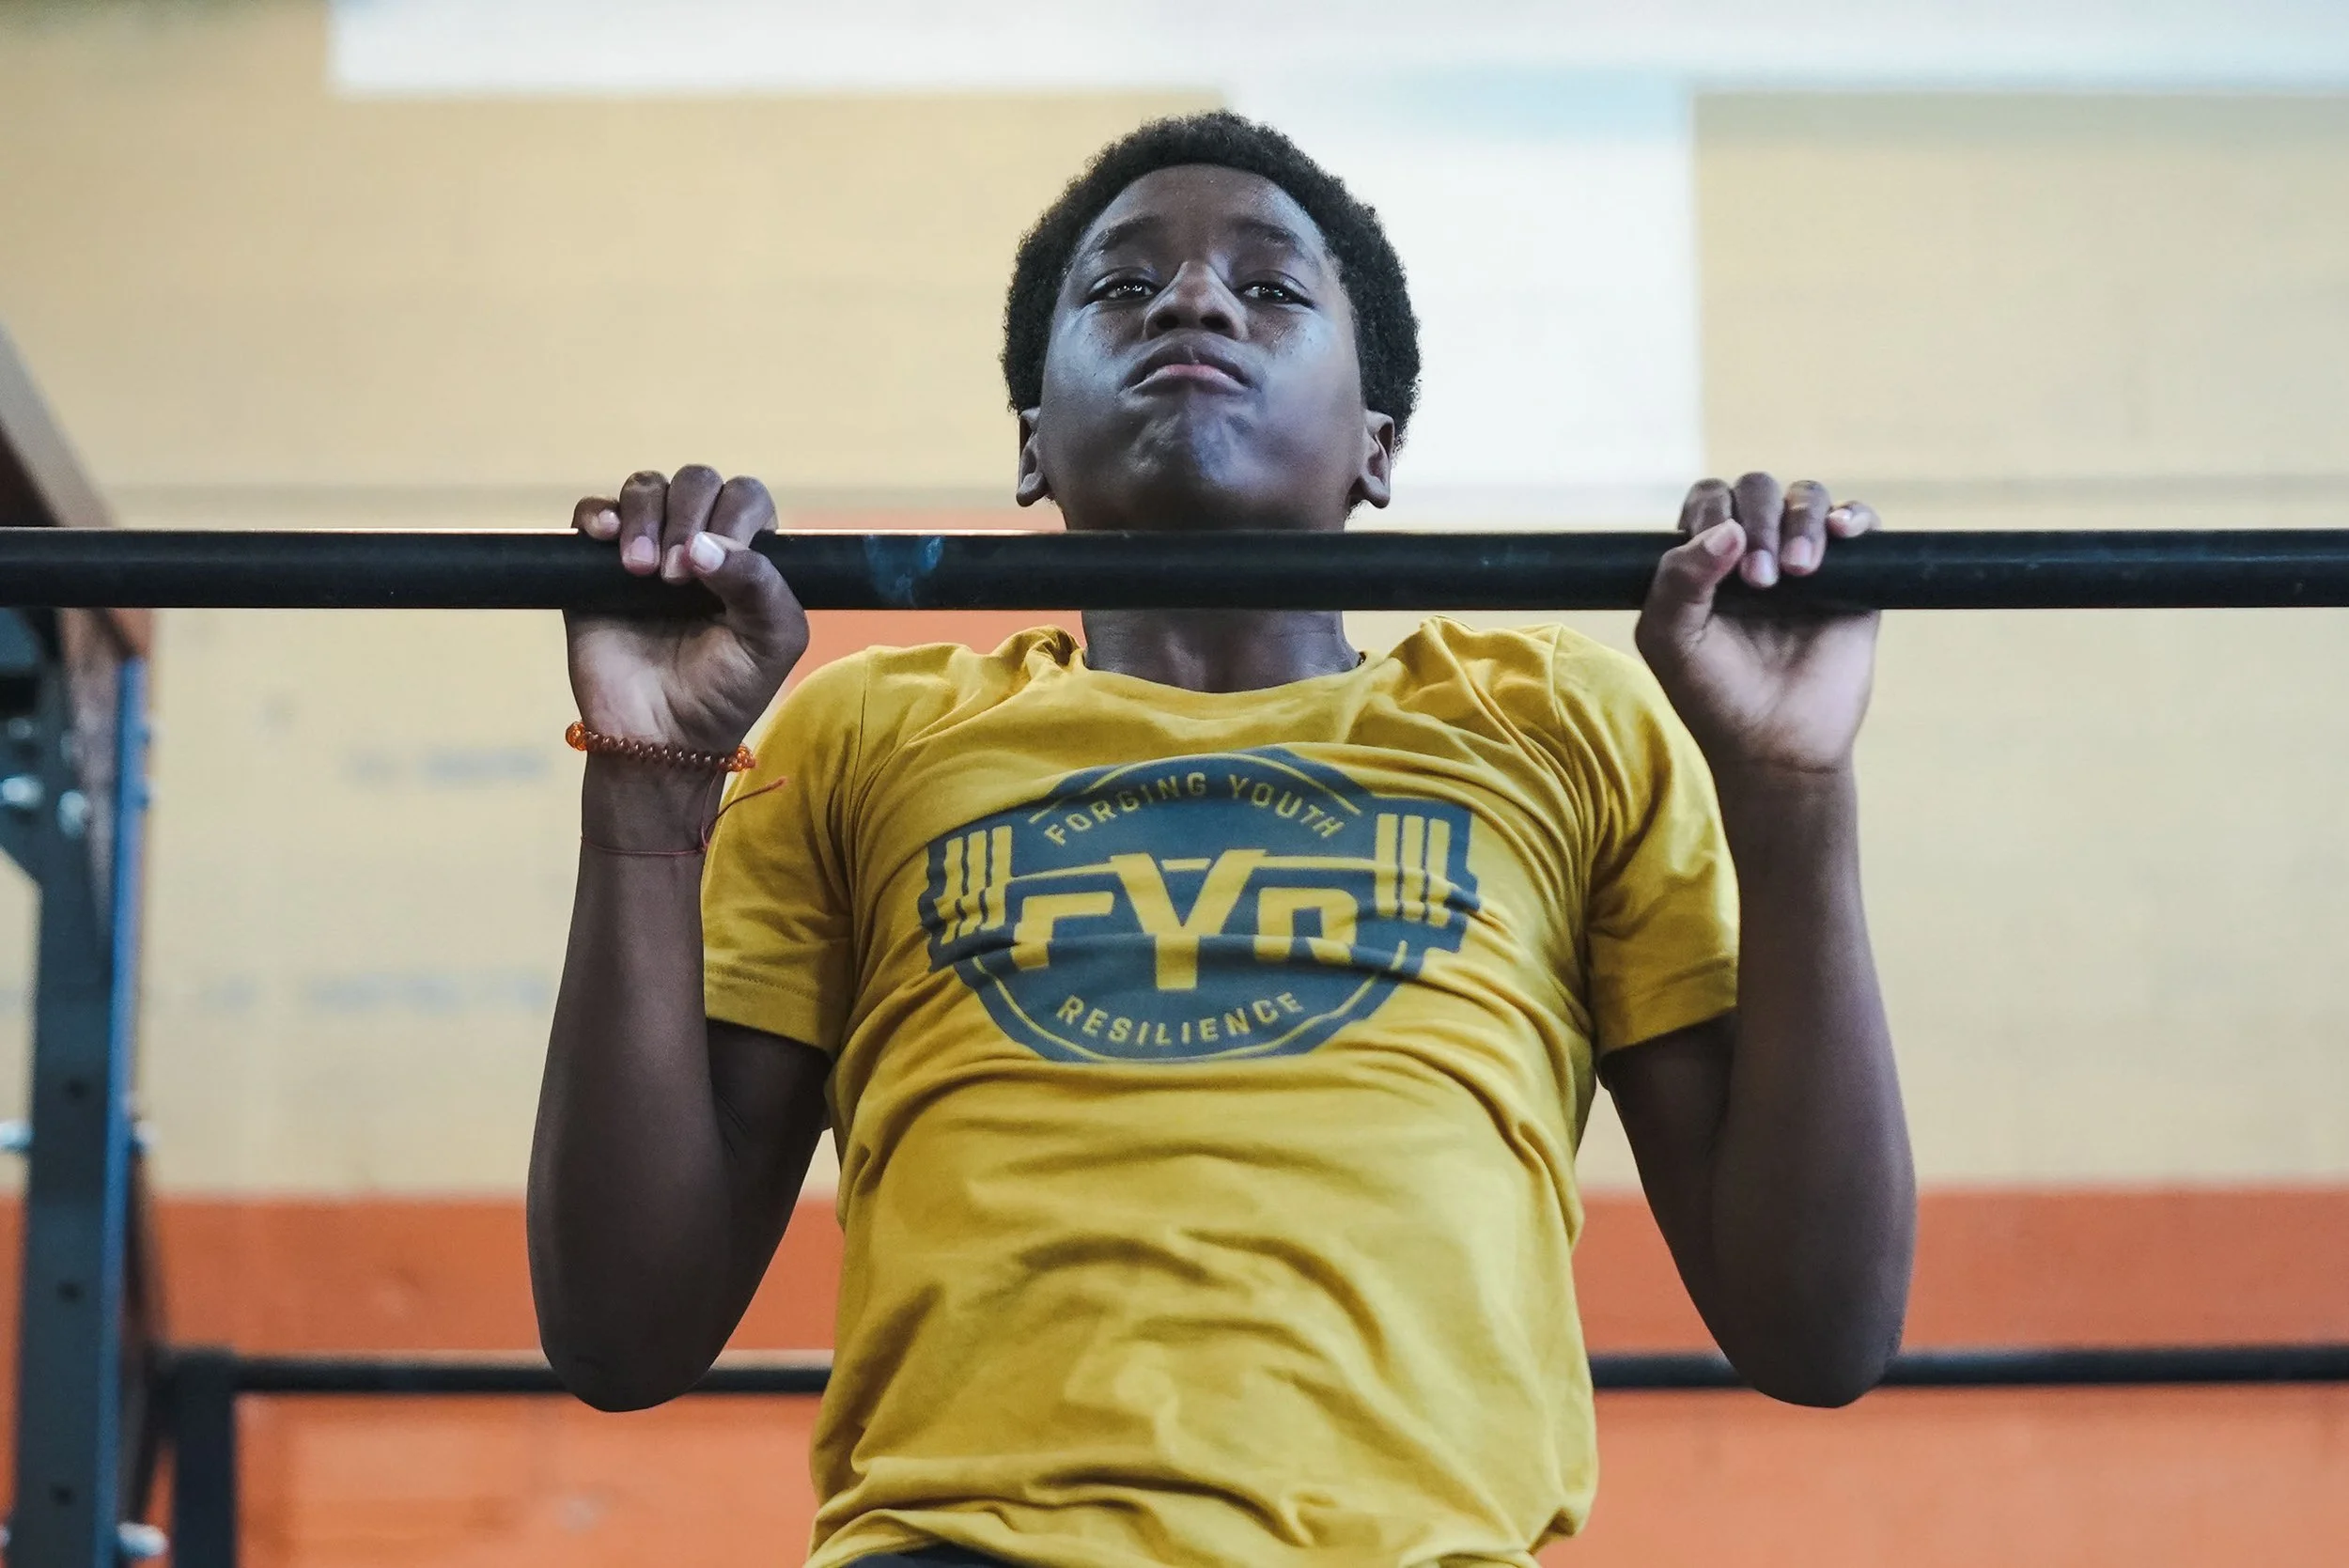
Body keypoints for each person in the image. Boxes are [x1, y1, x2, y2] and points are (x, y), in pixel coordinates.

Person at [528, 112, 1914, 1568]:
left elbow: (1816, 1333)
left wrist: (1792, 791)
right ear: (1030, 445)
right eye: (1121, 287)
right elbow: (624, 1335)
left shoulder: (1554, 725)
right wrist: (650, 779)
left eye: (1270, 287)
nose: (1193, 298)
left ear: (1377, 446)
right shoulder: (865, 736)